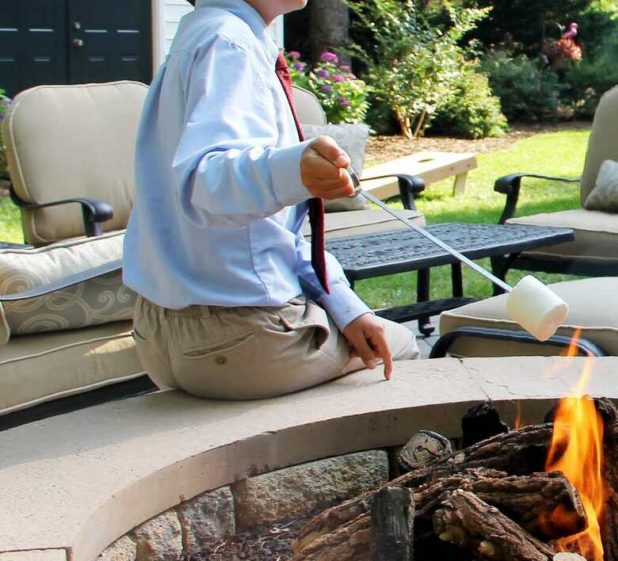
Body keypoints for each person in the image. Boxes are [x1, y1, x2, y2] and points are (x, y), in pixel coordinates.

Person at [123, 0, 419, 401]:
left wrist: (349, 307)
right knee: (400, 347)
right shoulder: (230, 45)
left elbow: (273, 234)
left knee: (369, 329)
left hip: (158, 332)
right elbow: (206, 180)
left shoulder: (201, 34)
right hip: (238, 336)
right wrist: (294, 171)